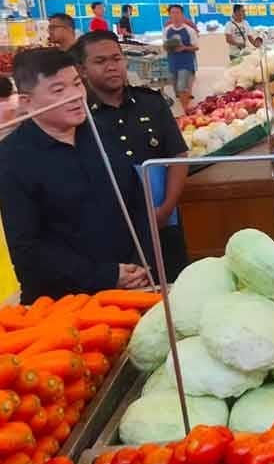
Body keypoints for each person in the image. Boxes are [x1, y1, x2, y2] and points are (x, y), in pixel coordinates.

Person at [0, 48, 152, 302]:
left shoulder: (102, 133)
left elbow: (137, 201)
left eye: (77, 83)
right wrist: (106, 275)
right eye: (58, 90)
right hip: (63, 303)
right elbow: (26, 249)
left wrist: (141, 262)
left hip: (133, 286)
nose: (75, 96)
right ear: (26, 102)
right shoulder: (10, 159)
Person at [75, 30, 191, 280]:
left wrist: (166, 208)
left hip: (163, 224)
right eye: (100, 61)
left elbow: (178, 156)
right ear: (82, 70)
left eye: (116, 59)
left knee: (174, 289)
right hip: (111, 234)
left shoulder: (151, 102)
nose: (111, 67)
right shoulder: (79, 116)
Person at [164, 5, 199, 112]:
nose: (175, 15)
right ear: (169, 15)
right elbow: (165, 45)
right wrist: (169, 47)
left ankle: (186, 110)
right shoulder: (167, 30)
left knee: (182, 86)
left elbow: (196, 47)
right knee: (176, 89)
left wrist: (184, 48)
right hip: (173, 62)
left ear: (182, 14)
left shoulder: (189, 30)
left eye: (177, 13)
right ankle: (185, 106)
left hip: (186, 62)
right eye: (173, 13)